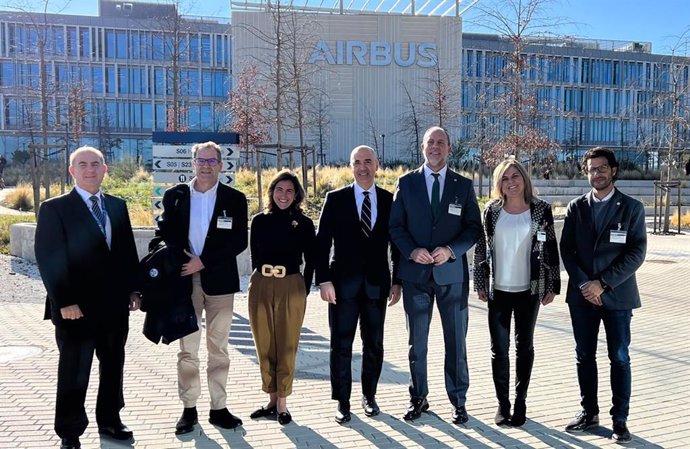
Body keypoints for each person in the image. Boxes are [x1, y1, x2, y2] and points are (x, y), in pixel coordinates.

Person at [34, 146, 141, 449]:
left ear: (105, 169)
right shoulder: (55, 208)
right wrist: (63, 301)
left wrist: (135, 289)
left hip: (114, 306)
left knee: (112, 366)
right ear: (72, 171)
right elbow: (49, 258)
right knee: (74, 370)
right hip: (75, 310)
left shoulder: (118, 206)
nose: (90, 169)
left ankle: (110, 420)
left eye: (96, 164)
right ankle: (70, 432)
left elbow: (126, 253)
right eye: (83, 164)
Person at [389, 126, 482, 424]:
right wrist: (411, 251)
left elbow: (473, 229)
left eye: (441, 142)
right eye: (431, 142)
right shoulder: (406, 183)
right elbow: (395, 227)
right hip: (415, 276)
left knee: (456, 342)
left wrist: (452, 250)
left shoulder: (463, 186)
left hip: (451, 277)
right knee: (417, 343)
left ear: (449, 148)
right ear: (423, 146)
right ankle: (419, 397)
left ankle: (458, 401)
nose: (435, 147)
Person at [157, 141, 248, 434]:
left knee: (218, 348)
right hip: (184, 282)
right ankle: (188, 409)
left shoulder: (234, 198)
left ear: (222, 165)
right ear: (193, 162)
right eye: (201, 160)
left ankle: (218, 408)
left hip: (220, 284)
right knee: (188, 349)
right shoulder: (175, 196)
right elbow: (165, 234)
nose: (206, 165)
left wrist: (204, 261)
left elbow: (238, 241)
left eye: (212, 161)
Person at [560, 147, 646, 444]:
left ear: (614, 170)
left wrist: (603, 284)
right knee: (584, 356)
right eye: (591, 169)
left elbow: (636, 253)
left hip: (617, 296)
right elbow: (566, 250)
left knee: (619, 357)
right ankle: (589, 412)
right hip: (582, 296)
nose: (596, 173)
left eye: (602, 168)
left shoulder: (631, 208)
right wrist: (586, 284)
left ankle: (620, 420)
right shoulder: (576, 207)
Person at [316, 145, 402, 424]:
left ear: (378, 165)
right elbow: (322, 243)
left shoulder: (390, 200)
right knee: (341, 344)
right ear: (350, 167)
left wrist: (398, 281)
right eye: (357, 162)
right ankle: (342, 401)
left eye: (368, 161)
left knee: (374, 345)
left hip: (377, 286)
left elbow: (396, 245)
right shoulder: (335, 199)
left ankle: (370, 396)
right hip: (341, 287)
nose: (363, 167)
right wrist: (324, 280)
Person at [473, 158, 560, 427]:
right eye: (504, 178)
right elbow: (480, 248)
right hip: (498, 291)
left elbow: (550, 248)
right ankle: (503, 404)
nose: (511, 183)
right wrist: (479, 283)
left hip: (529, 290)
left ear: (524, 178)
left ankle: (520, 402)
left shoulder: (541, 210)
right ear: (499, 184)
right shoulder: (491, 211)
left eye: (515, 177)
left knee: (525, 348)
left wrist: (553, 285)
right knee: (499, 350)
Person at [247, 170, 315, 425]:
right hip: (262, 284)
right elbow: (255, 256)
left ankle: (284, 404)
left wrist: (303, 288)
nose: (283, 195)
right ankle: (272, 399)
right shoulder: (259, 220)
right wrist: (260, 280)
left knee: (286, 345)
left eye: (289, 191)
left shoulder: (304, 224)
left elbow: (312, 260)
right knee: (264, 344)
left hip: (291, 285)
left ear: (296, 194)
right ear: (271, 191)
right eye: (279, 190)